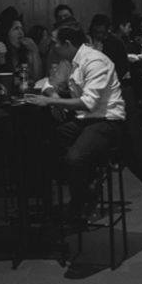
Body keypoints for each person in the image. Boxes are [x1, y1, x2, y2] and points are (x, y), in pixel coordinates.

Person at [25, 22, 126, 222]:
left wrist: (50, 101)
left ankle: (81, 203)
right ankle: (75, 190)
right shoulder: (71, 61)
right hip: (85, 120)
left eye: (55, 42)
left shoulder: (95, 61)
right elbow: (49, 83)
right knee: (44, 143)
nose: (53, 46)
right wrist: (53, 93)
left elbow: (88, 103)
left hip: (107, 121)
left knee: (74, 158)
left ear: (67, 44)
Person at [0, 6, 42, 83]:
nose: (21, 33)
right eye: (16, 29)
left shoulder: (26, 51)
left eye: (21, 29)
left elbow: (37, 79)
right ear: (6, 33)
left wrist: (35, 51)